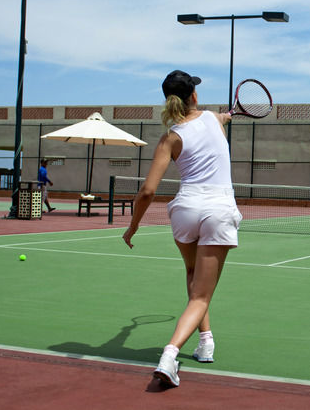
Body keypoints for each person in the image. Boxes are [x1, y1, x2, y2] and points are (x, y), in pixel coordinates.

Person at [122, 70, 241, 388]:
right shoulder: (214, 120)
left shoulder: (170, 137)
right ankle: (169, 356)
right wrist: (226, 116)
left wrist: (133, 227)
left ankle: (206, 341)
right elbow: (221, 119)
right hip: (217, 210)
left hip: (185, 210)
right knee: (202, 295)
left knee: (192, 275)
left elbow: (147, 191)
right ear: (195, 96)